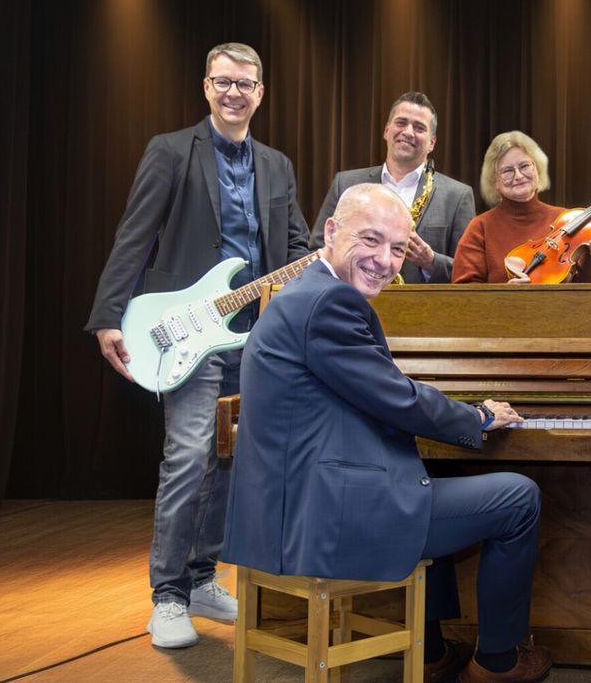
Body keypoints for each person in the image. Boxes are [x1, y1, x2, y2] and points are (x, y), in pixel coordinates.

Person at [223, 184, 552, 683]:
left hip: (295, 503)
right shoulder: (328, 303)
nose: (384, 260)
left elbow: (377, 393)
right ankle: (498, 664)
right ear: (331, 231)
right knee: (518, 498)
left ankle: (434, 650)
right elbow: (397, 397)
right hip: (321, 516)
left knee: (439, 470)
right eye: (371, 240)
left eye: (397, 249)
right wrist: (478, 416)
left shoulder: (306, 294)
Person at [85, 43, 311, 648]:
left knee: (234, 461)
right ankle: (167, 594)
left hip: (252, 336)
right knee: (188, 456)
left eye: (246, 84)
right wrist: (109, 314)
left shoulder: (278, 165)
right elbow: (135, 235)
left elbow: (294, 247)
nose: (235, 92)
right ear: (206, 87)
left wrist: (340, 255)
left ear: (261, 92)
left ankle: (206, 577)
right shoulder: (169, 149)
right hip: (187, 331)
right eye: (224, 82)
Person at [310, 91, 475, 283]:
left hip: (424, 311)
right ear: (386, 130)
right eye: (401, 123)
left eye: (419, 128)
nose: (408, 132)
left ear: (431, 143)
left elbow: (469, 273)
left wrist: (431, 261)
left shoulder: (458, 196)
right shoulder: (346, 183)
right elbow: (318, 250)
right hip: (349, 306)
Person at [452, 131, 591, 284]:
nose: (518, 176)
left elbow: (590, 288)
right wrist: (506, 296)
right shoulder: (480, 228)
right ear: (494, 182)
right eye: (507, 170)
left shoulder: (566, 220)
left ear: (538, 170)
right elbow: (464, 294)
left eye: (524, 166)